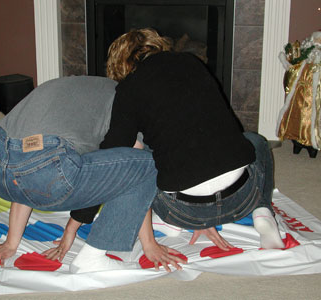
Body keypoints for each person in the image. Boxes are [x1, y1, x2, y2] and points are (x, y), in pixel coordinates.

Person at [69, 28, 285, 252]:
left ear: (121, 63)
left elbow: (110, 156)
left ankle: (173, 224)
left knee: (137, 157)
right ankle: (263, 211)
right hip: (242, 199)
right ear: (158, 46)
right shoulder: (191, 62)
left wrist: (79, 218)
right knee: (255, 140)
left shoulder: (128, 89)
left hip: (183, 211)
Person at [0, 75, 185, 274]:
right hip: (39, 173)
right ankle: (94, 257)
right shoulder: (128, 104)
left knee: (20, 154)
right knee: (147, 164)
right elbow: (134, 170)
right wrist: (149, 243)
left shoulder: (85, 87)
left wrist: (10, 243)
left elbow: (22, 162)